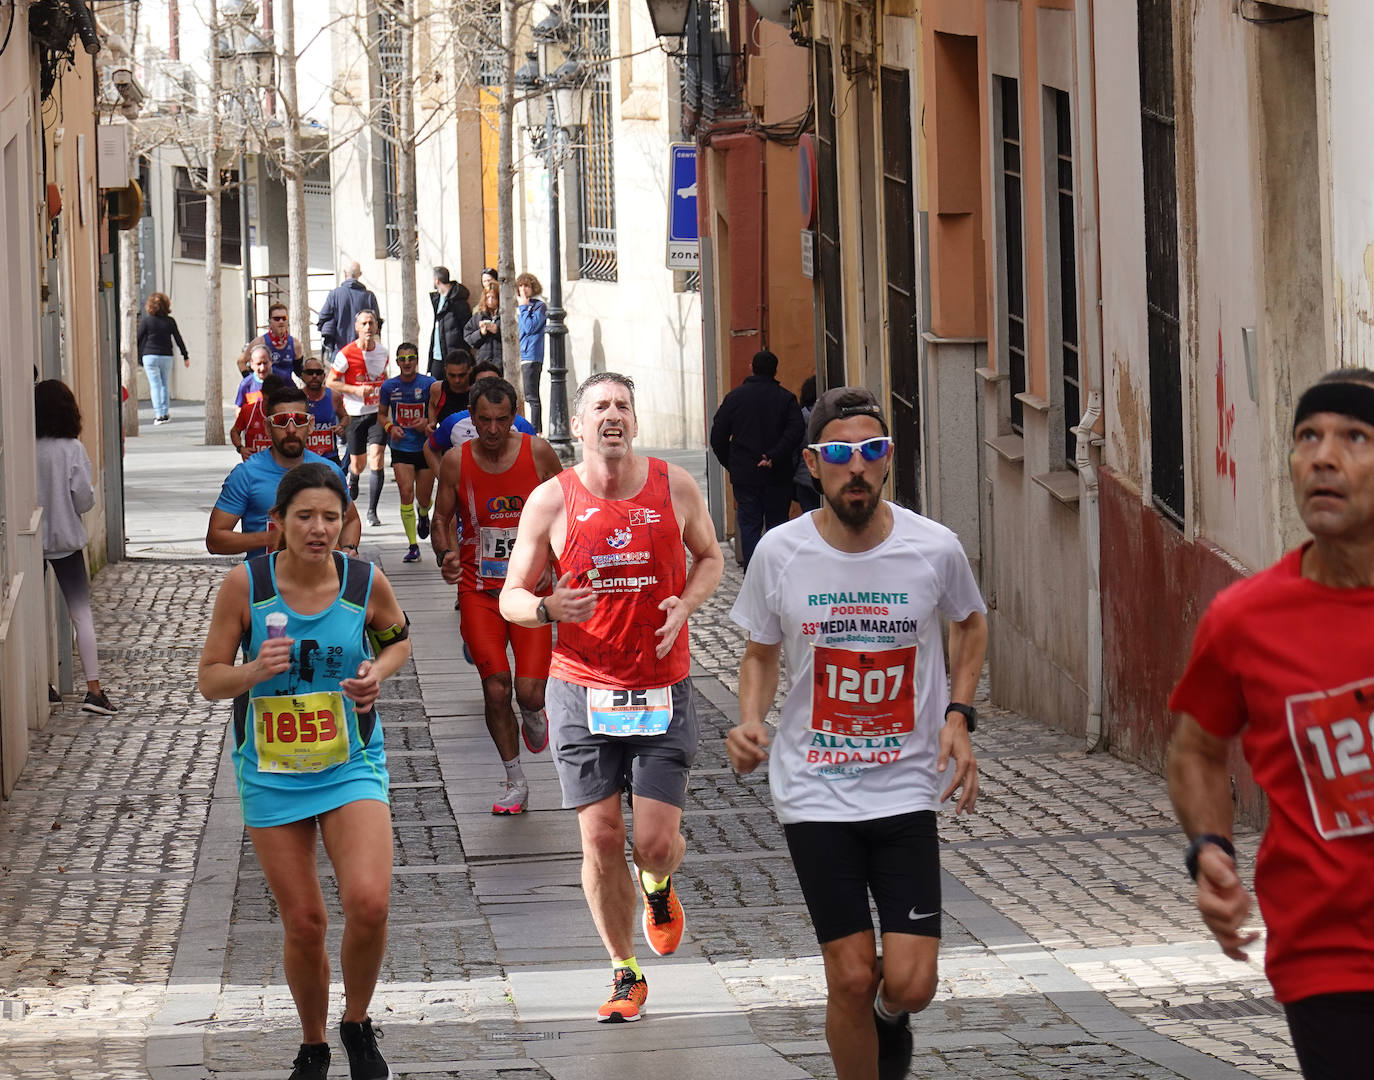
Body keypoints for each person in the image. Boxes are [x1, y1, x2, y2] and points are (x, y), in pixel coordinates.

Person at [725, 386, 986, 1080]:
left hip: (905, 790)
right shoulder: (780, 554)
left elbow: (971, 621)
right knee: (847, 973)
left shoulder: (934, 548)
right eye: (840, 454)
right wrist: (750, 720)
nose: (857, 468)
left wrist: (959, 714)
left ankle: (888, 1017)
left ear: (889, 459)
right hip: (815, 792)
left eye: (872, 451)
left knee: (911, 982)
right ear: (812, 463)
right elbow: (759, 651)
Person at [1167, 367, 1374, 1079]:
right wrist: (1209, 849)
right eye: (1308, 437)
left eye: (1355, 437)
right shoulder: (1246, 620)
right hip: (1330, 952)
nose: (1324, 456)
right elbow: (1195, 750)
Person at [499, 372, 724, 1023]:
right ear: (578, 425)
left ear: (634, 419)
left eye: (623, 404)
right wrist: (545, 607)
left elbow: (709, 556)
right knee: (599, 840)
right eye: (600, 406)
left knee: (653, 844)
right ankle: (625, 971)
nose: (613, 415)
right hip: (581, 693)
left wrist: (687, 603)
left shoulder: (673, 487)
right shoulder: (551, 500)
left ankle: (658, 884)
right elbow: (511, 595)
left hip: (661, 687)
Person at [198, 463, 410, 1080]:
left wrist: (378, 673)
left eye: (330, 517)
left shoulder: (364, 581)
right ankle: (313, 1043)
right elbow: (210, 678)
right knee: (306, 921)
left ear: (346, 521)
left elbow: (398, 639)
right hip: (271, 767)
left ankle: (357, 1024)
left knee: (369, 903)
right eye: (304, 517)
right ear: (278, 524)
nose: (319, 529)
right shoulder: (246, 587)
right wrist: (251, 673)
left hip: (350, 761)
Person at [431, 378, 562, 812]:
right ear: (471, 417)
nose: (492, 430)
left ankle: (534, 712)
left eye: (502, 420)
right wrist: (446, 553)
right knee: (495, 689)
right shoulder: (455, 462)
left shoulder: (537, 452)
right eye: (484, 420)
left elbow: (570, 511)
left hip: (529, 591)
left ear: (515, 416)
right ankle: (515, 781)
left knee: (528, 692)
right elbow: (441, 519)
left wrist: (561, 567)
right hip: (479, 591)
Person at [34, 379, 117, 715]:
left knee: (33, 616)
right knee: (81, 615)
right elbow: (83, 500)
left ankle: (41, 685)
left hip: (32, 543)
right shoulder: (72, 449)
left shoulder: (26, 448)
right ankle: (93, 690)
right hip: (66, 542)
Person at [208, 384, 362, 560]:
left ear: (310, 425)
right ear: (267, 427)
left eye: (299, 420)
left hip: (320, 584)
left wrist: (349, 548)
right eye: (281, 421)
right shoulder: (246, 475)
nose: (291, 429)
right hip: (265, 583)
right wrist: (271, 538)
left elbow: (351, 520)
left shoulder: (330, 471)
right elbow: (215, 540)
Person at [710, 350, 805, 569]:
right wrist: (775, 455)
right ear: (775, 370)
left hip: (746, 474)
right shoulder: (785, 398)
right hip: (777, 474)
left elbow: (718, 436)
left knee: (749, 525)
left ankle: (754, 572)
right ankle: (776, 570)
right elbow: (795, 431)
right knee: (777, 526)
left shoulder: (735, 398)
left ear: (752, 367)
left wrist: (733, 463)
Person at [325, 310, 390, 527]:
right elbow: (330, 381)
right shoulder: (346, 354)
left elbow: (384, 378)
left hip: (376, 413)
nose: (369, 327)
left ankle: (372, 511)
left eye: (372, 323)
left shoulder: (382, 352)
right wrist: (354, 389)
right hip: (354, 414)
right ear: (357, 327)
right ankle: (353, 476)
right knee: (358, 463)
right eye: (364, 323)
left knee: (377, 458)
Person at [378, 343, 437, 563]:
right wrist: (391, 428)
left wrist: (429, 422)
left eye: (411, 357)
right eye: (402, 359)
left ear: (417, 360)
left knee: (423, 498)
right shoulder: (388, 387)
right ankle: (413, 546)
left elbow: (438, 411)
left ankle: (423, 514)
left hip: (425, 448)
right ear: (397, 362)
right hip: (401, 448)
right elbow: (382, 415)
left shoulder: (429, 384)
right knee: (405, 494)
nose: (407, 362)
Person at [137, 292, 190, 425]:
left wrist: (137, 356)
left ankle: (159, 414)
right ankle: (165, 413)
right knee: (164, 384)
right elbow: (178, 339)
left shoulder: (147, 321)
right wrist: (185, 355)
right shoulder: (170, 321)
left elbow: (138, 339)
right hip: (166, 355)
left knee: (155, 385)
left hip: (149, 355)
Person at [317, 262, 380, 363]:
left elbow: (323, 317)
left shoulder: (334, 295)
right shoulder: (369, 296)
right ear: (360, 274)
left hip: (340, 351)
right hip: (363, 353)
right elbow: (377, 323)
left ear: (345, 273)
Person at [516, 272, 548, 434]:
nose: (523, 289)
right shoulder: (517, 307)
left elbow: (530, 327)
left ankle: (536, 430)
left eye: (526, 286)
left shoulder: (539, 307)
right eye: (520, 286)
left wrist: (524, 308)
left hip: (531, 356)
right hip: (518, 356)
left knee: (531, 395)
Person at [302, 359, 348, 468]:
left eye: (318, 373)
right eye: (310, 372)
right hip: (304, 458)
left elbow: (345, 416)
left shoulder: (334, 396)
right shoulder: (297, 397)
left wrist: (341, 426)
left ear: (324, 376)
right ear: (303, 375)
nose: (314, 376)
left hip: (330, 457)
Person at [428, 268, 472, 382]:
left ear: (436, 280)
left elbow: (466, 329)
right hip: (437, 356)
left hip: (454, 356)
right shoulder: (437, 299)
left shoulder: (458, 301)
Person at [241, 302, 304, 381]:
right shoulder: (259, 342)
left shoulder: (295, 344)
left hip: (286, 389)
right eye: (277, 319)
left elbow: (299, 371)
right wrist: (251, 381)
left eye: (284, 318)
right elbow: (241, 362)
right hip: (265, 389)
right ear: (270, 321)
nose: (281, 321)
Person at [231, 374, 288, 460]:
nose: (271, 405)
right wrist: (240, 448)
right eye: (267, 400)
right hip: (254, 466)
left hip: (280, 467)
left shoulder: (289, 413)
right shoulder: (248, 410)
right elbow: (234, 431)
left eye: (275, 401)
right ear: (261, 393)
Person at [428, 349, 476, 433]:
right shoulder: (438, 389)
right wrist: (432, 423)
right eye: (452, 375)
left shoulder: (477, 390)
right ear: (446, 371)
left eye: (462, 375)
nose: (457, 380)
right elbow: (432, 405)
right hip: (447, 443)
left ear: (470, 370)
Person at [793, 375, 821, 513]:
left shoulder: (798, 418)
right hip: (827, 477)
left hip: (804, 477)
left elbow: (794, 450)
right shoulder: (832, 417)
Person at [464, 286, 503, 368]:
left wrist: (497, 331)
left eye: (494, 297)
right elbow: (468, 336)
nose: (491, 300)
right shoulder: (479, 315)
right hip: (483, 362)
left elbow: (514, 337)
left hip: (501, 362)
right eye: (488, 297)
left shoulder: (505, 315)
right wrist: (481, 333)